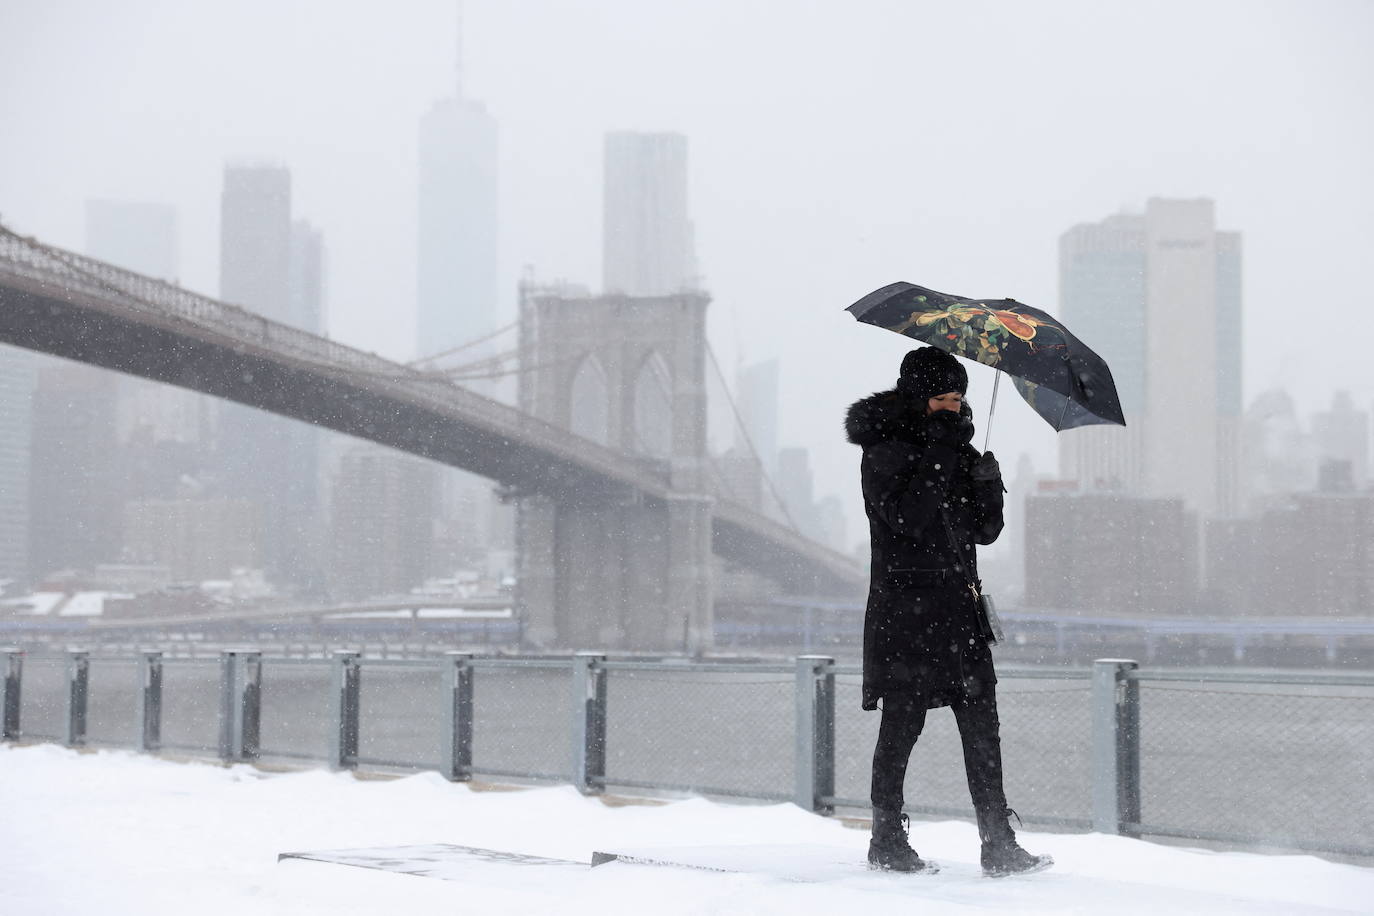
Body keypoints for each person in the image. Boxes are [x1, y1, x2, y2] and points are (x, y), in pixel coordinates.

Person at [844, 346, 1052, 877]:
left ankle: (998, 843)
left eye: (958, 399)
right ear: (917, 397)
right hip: (907, 614)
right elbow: (906, 519)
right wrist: (938, 455)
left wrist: (988, 486)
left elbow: (984, 532)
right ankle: (886, 839)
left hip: (960, 612)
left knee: (983, 727)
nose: (952, 409)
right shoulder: (884, 451)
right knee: (902, 726)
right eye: (941, 398)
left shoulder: (961, 452)